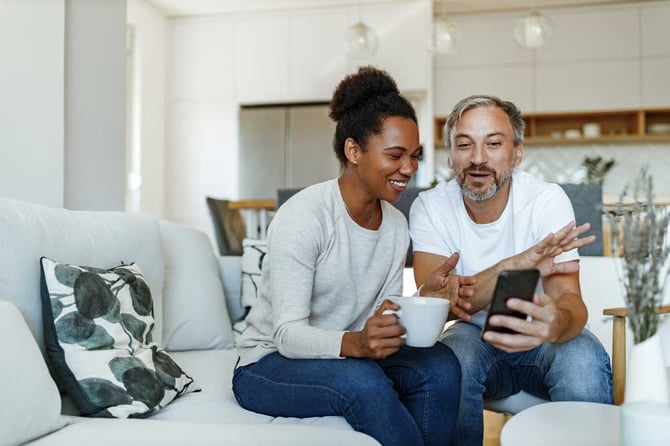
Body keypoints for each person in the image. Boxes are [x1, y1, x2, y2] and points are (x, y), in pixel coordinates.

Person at [233, 66, 465, 446]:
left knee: (440, 365)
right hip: (269, 364)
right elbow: (287, 335)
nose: (409, 169)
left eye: (415, 156)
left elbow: (379, 317)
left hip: (349, 356)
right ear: (354, 150)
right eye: (395, 155)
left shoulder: (395, 225)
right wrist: (357, 344)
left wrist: (426, 298)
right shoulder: (305, 216)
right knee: (363, 382)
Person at [409, 94, 614, 446]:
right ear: (449, 156)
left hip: (542, 339)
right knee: (449, 361)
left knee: (581, 355)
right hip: (473, 338)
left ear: (517, 153)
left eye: (493, 143)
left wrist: (556, 322)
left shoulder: (546, 200)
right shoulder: (430, 207)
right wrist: (521, 261)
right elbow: (441, 301)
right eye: (464, 145)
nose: (477, 158)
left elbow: (570, 302)